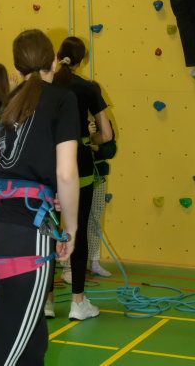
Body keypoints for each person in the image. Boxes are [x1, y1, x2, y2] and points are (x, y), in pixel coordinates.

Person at [0, 29, 79, 366]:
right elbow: (67, 173)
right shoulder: (62, 100)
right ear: (54, 62)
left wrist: (46, 195)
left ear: (17, 68)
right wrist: (71, 230)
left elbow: (1, 167)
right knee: (6, 351)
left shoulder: (10, 101)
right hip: (25, 234)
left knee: (32, 344)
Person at [45, 37, 112, 320]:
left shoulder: (45, 86)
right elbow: (106, 134)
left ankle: (47, 302)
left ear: (58, 56)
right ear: (82, 60)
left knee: (48, 231)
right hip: (79, 163)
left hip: (48, 164)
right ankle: (77, 302)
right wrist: (90, 140)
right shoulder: (88, 88)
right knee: (79, 231)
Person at [87, 109, 117, 277]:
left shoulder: (103, 123)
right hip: (79, 178)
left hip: (98, 177)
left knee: (95, 220)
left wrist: (96, 146)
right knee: (76, 221)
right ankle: (69, 265)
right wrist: (87, 135)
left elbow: (111, 150)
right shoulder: (73, 119)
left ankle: (94, 261)